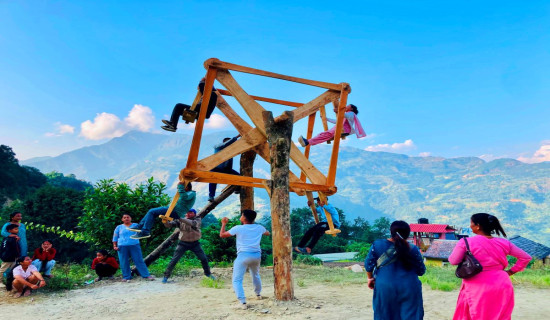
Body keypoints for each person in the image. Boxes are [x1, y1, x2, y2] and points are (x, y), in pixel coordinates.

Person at [448, 213, 531, 320]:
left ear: (478, 226)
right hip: (502, 284)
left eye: (471, 223)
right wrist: (510, 272)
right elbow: (526, 257)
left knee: (475, 314)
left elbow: (453, 261)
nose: (470, 226)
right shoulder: (504, 243)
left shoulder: (466, 242)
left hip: (477, 285)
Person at [364, 220, 426, 320]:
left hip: (384, 287)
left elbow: (368, 265)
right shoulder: (413, 249)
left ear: (391, 232)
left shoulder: (377, 245)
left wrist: (370, 278)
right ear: (407, 233)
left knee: (384, 315)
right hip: (409, 287)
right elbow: (421, 271)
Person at [220, 210, 270, 309]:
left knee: (237, 280)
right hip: (256, 256)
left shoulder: (238, 228)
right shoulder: (259, 227)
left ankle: (242, 302)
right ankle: (258, 294)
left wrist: (223, 224)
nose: (241, 216)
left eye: (242, 215)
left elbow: (222, 235)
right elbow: (267, 233)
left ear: (244, 218)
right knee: (255, 275)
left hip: (243, 255)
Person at [161, 209, 215, 283]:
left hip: (195, 243)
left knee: (203, 258)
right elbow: (169, 225)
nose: (188, 214)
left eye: (191, 213)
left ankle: (208, 274)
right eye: (187, 213)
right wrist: (165, 221)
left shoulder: (197, 219)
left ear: (194, 214)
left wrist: (180, 218)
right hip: (183, 243)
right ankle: (166, 276)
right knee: (174, 260)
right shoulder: (180, 220)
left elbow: (193, 224)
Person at [130, 182, 196, 239]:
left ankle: (144, 231)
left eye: (180, 187)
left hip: (176, 211)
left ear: (186, 187)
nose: (178, 188)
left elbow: (185, 197)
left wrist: (180, 187)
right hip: (173, 209)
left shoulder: (192, 193)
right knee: (153, 213)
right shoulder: (188, 193)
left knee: (151, 211)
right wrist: (181, 187)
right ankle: (141, 227)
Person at [298, 104, 366, 147]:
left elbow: (346, 115)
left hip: (343, 129)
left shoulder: (351, 113)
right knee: (324, 135)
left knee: (325, 135)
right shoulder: (346, 114)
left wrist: (338, 111)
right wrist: (326, 119)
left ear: (351, 109)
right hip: (339, 128)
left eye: (348, 106)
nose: (346, 106)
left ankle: (308, 142)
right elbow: (336, 121)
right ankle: (308, 142)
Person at [112, 213, 154, 282]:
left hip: (134, 245)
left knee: (139, 260)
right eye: (124, 217)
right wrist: (115, 246)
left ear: (130, 218)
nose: (126, 219)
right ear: (122, 219)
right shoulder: (119, 227)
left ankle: (146, 275)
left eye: (128, 217)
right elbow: (115, 237)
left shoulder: (136, 225)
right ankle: (126, 276)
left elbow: (142, 232)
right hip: (122, 246)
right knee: (124, 262)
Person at [208, 135, 241, 202]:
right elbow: (227, 143)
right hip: (216, 168)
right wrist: (237, 136)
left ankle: (237, 189)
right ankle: (211, 196)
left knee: (240, 177)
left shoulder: (230, 151)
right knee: (213, 180)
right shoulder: (219, 147)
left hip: (225, 169)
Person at [0, 224, 20, 288]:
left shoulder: (6, 238)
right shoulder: (13, 239)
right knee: (3, 270)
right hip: (10, 257)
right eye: (15, 229)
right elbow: (15, 248)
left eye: (17, 229)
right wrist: (17, 256)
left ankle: (11, 282)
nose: (17, 230)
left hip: (6, 256)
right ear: (10, 230)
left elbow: (2, 248)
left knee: (12, 269)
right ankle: (0, 282)